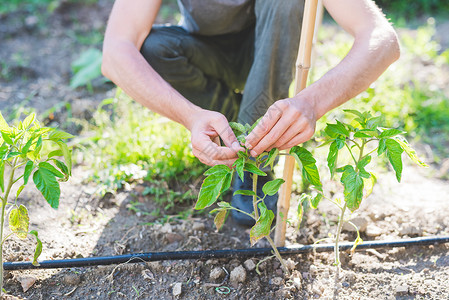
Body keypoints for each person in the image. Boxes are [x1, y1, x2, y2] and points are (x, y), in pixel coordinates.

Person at [102, 0, 400, 225]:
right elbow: (116, 52)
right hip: (206, 51)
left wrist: (311, 102)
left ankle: (255, 157)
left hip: (273, 46)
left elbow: (382, 38)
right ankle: (240, 133)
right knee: (152, 48)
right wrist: (190, 115)